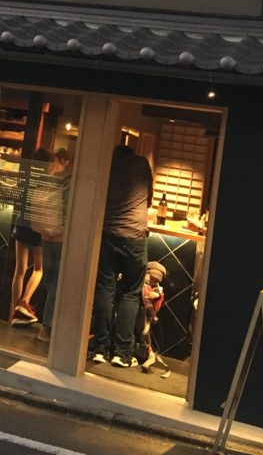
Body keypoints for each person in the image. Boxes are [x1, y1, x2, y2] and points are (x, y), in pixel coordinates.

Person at [90, 143, 153, 367]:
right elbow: (150, 198)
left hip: (109, 234)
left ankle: (99, 348)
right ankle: (121, 352)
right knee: (130, 293)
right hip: (135, 237)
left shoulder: (109, 166)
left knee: (105, 290)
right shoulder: (142, 165)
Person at [9, 148, 52, 326]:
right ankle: (23, 303)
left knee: (20, 269)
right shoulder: (48, 181)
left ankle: (14, 313)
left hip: (22, 223)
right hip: (38, 226)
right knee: (38, 269)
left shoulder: (26, 177)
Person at [37, 148, 72, 343]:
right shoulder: (69, 184)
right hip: (60, 237)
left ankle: (49, 323)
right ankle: (48, 327)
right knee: (55, 283)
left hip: (46, 234)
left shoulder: (49, 181)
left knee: (50, 281)